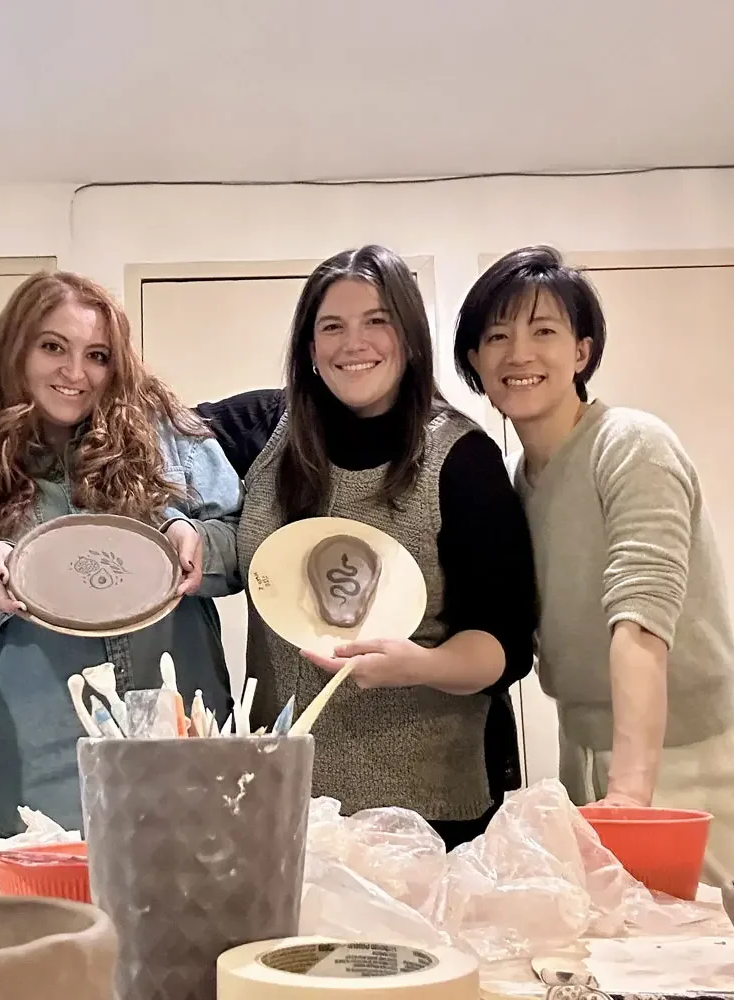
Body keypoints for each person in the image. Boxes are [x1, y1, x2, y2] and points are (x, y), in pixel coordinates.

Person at [202, 245, 537, 849]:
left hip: (434, 809)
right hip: (287, 800)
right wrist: (179, 521)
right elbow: (146, 434)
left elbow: (505, 646)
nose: (352, 343)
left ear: (408, 337)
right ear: (310, 348)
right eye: (332, 326)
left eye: (376, 321)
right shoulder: (265, 429)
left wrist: (422, 666)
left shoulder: (462, 459)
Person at [0, 271, 242, 837]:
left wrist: (193, 543)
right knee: (36, 924)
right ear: (17, 349)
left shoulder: (172, 439)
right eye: (52, 347)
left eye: (97, 355)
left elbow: (246, 546)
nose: (74, 372)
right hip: (19, 775)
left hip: (179, 759)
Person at [455, 244, 734, 882]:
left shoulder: (630, 443)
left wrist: (633, 797)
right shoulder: (517, 480)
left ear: (581, 352)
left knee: (700, 965)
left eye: (543, 331)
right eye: (497, 336)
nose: (519, 354)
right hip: (582, 750)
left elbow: (641, 616)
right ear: (475, 361)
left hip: (685, 759)